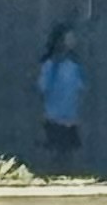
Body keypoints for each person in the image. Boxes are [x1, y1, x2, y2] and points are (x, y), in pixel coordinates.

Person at [35, 22, 87, 168]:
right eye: (69, 38)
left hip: (70, 117)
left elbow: (80, 91)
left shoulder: (74, 66)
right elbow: (42, 90)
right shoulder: (49, 66)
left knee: (69, 153)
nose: (73, 41)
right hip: (53, 117)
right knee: (54, 152)